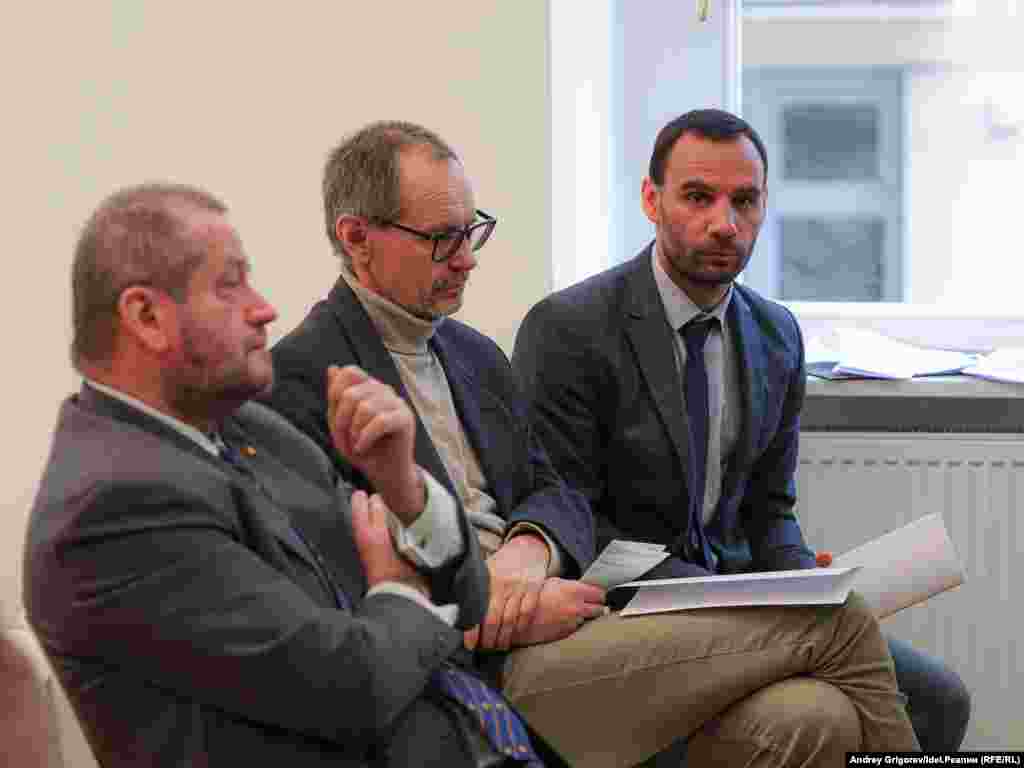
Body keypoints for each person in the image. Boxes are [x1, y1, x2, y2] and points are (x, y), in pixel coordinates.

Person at [266, 119, 921, 767]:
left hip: (562, 617)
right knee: (836, 620)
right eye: (443, 239)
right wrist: (495, 607)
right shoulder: (301, 380)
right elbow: (340, 591)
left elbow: (556, 492)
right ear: (356, 238)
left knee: (814, 717)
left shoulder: (472, 353)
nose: (467, 258)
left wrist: (529, 551)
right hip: (483, 658)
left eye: (471, 232)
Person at [23, 183, 571, 767]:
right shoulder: (113, 508)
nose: (264, 309)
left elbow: (468, 595)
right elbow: (354, 687)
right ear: (147, 317)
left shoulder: (253, 428)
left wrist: (404, 489)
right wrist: (401, 590)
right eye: (230, 285)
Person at [512, 108, 972, 753]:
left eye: (744, 201)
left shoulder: (774, 333)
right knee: (830, 695)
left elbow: (769, 509)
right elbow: (570, 516)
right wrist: (733, 596)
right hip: (623, 611)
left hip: (746, 599)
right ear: (651, 200)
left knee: (941, 698)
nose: (724, 223)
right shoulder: (569, 328)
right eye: (698, 197)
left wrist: (800, 577)